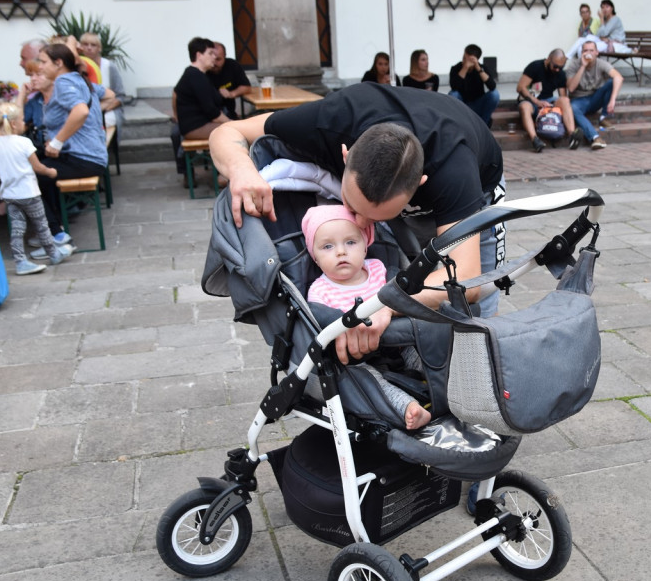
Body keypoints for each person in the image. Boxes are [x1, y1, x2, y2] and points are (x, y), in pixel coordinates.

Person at [209, 82, 506, 363]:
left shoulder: (453, 169)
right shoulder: (330, 118)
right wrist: (241, 170)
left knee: (475, 325)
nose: (362, 225)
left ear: (420, 184)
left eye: (378, 218)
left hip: (476, 190)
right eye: (351, 205)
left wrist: (385, 304)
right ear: (345, 154)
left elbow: (465, 280)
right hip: (408, 181)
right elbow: (227, 132)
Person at [302, 204, 432, 430]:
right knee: (370, 381)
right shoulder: (319, 292)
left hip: (399, 345)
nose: (341, 252)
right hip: (358, 358)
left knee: (427, 352)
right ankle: (408, 408)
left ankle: (447, 388)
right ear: (315, 257)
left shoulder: (379, 270)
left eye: (350, 242)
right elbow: (321, 323)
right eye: (328, 246)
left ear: (365, 246)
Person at [35, 42, 112, 244]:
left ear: (58, 63)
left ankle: (54, 234)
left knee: (28, 176)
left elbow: (81, 111)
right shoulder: (79, 79)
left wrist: (58, 142)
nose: (40, 67)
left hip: (83, 159)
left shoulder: (63, 83)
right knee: (36, 165)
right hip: (92, 155)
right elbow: (109, 96)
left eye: (43, 62)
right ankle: (55, 225)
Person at [0, 102, 73, 275]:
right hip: (29, 193)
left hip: (10, 195)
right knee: (41, 226)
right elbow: (38, 167)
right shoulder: (24, 142)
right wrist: (51, 172)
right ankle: (53, 253)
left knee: (17, 230)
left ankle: (20, 262)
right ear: (13, 124)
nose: (23, 122)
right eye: (21, 119)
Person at [516, 49, 581, 153]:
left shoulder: (560, 74)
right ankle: (535, 140)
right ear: (548, 60)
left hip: (548, 103)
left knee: (565, 100)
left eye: (561, 67)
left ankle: (572, 135)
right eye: (555, 66)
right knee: (524, 107)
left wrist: (553, 109)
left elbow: (563, 96)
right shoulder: (535, 66)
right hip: (531, 101)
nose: (557, 70)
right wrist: (537, 102)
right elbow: (520, 87)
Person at [564, 40, 624, 150]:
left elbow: (619, 77)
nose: (588, 53)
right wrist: (583, 66)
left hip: (595, 99)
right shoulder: (574, 65)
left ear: (597, 52)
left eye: (592, 50)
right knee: (572, 108)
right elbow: (571, 88)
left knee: (612, 82)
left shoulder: (601, 63)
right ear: (581, 53)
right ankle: (595, 137)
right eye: (585, 50)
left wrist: (613, 100)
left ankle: (603, 117)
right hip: (579, 100)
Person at [174, 37, 229, 140]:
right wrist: (231, 123)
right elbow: (212, 111)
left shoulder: (197, 74)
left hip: (202, 124)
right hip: (196, 127)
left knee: (237, 129)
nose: (214, 57)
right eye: (210, 53)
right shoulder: (195, 76)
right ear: (199, 55)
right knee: (235, 131)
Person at [80, 32, 129, 130]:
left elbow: (120, 96)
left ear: (99, 48)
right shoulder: (76, 66)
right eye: (85, 44)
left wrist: (100, 110)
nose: (89, 48)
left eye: (93, 45)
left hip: (107, 110)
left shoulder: (109, 67)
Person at [447, 44, 500, 128]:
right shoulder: (456, 68)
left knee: (495, 94)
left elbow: (492, 86)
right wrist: (465, 68)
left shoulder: (481, 68)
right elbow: (454, 87)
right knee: (453, 94)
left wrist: (478, 68)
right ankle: (460, 125)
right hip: (462, 105)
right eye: (464, 58)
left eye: (469, 60)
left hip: (478, 104)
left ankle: (483, 126)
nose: (465, 61)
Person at [207, 41, 252, 120]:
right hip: (209, 115)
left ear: (225, 56)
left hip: (228, 112)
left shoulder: (232, 65)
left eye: (218, 59)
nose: (214, 63)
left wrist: (232, 93)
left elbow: (246, 87)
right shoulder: (202, 71)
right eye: (212, 59)